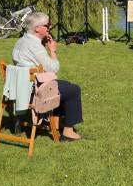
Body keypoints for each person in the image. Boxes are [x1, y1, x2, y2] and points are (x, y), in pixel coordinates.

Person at [12, 12, 83, 141]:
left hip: (19, 87)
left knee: (66, 84)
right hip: (34, 92)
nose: (50, 27)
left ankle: (55, 122)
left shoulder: (21, 41)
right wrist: (52, 50)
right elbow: (53, 69)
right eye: (47, 25)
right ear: (37, 28)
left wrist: (42, 45)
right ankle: (67, 131)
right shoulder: (35, 46)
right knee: (74, 90)